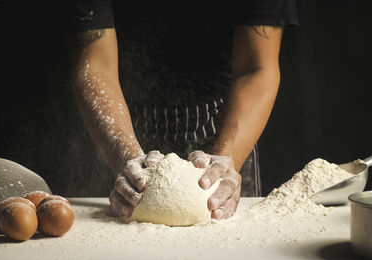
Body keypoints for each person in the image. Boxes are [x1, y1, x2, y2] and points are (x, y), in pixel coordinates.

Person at [68, 1, 298, 220]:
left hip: (225, 122)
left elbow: (256, 68)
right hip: (119, 122)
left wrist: (223, 164)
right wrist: (124, 155)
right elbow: (95, 65)